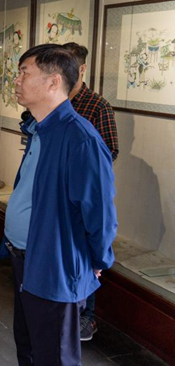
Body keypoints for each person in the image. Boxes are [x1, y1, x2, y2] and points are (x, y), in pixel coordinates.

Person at [2, 44, 117, 365]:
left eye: (24, 73)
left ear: (53, 81)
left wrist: (98, 258)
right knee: (28, 346)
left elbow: (100, 212)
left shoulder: (81, 138)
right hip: (25, 258)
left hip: (55, 265)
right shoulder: (40, 128)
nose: (17, 80)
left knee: (55, 356)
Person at [62, 42, 119, 341]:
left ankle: (87, 317)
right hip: (59, 189)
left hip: (84, 189)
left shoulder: (97, 106)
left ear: (82, 68)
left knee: (86, 249)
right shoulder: (57, 102)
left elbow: (110, 149)